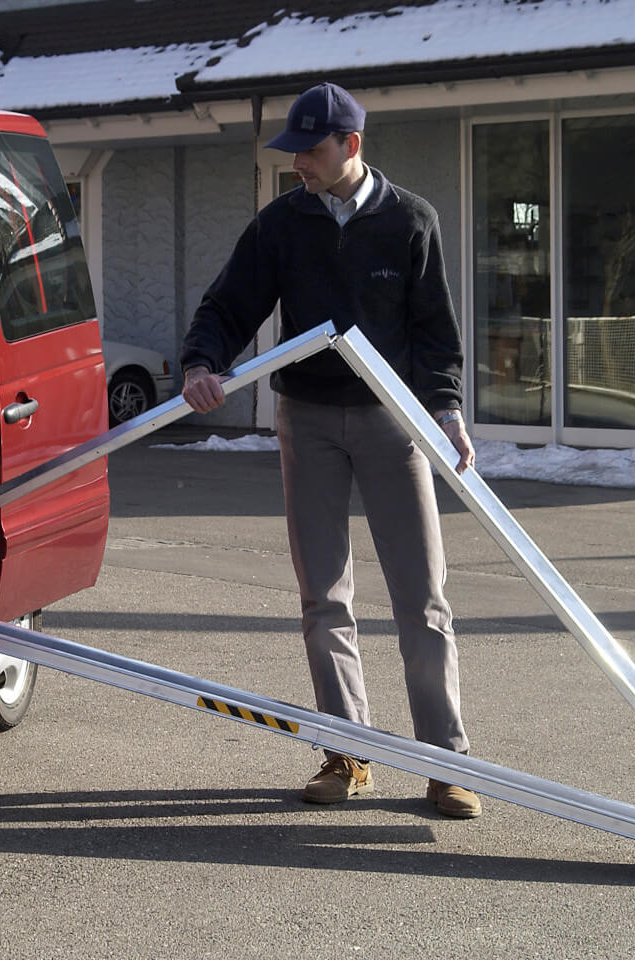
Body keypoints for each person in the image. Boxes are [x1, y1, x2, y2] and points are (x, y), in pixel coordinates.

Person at [179, 82, 481, 818]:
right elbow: (228, 306)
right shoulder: (281, 225)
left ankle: (446, 764)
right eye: (292, 154)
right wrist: (200, 362)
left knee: (422, 599)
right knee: (324, 597)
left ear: (351, 146)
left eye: (309, 153)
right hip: (307, 421)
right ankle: (347, 755)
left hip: (391, 424)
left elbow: (436, 333)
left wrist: (445, 410)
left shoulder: (411, 220)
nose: (297, 167)